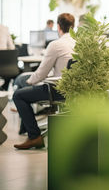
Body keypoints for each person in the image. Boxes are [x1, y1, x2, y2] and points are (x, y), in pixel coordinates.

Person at [12, 13, 75, 149]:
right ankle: (25, 130)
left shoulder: (56, 44)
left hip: (57, 90)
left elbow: (41, 74)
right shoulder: (80, 44)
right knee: (25, 86)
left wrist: (29, 81)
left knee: (18, 95)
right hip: (76, 91)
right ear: (73, 27)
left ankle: (34, 136)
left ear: (58, 27)